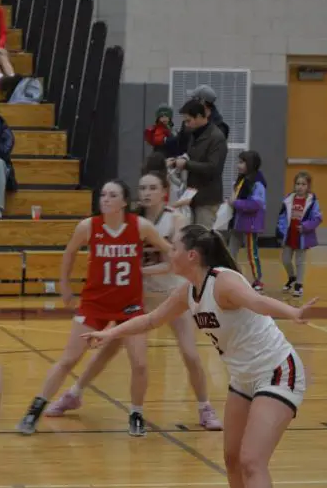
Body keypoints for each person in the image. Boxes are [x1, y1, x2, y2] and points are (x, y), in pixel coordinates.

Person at [82, 224, 317, 488]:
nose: (167, 251)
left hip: (277, 371)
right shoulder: (188, 292)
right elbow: (150, 320)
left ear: (191, 255)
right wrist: (109, 333)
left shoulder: (223, 281)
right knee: (231, 457)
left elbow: (256, 301)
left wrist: (292, 311)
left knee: (253, 460)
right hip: (243, 378)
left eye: (173, 246)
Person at [46, 172, 223, 430]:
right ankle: (74, 393)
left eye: (152, 188)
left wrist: (141, 270)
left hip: (171, 294)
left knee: (190, 353)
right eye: (142, 188)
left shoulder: (175, 219)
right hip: (138, 298)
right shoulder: (131, 218)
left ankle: (205, 407)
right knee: (107, 348)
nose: (146, 193)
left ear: (164, 191)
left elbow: (176, 261)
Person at [16, 180, 173, 437]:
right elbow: (69, 253)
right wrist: (65, 285)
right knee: (69, 359)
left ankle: (136, 413)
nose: (106, 199)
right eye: (103, 194)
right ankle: (35, 409)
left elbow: (170, 252)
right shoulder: (88, 226)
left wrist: (160, 268)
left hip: (130, 306)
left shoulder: (140, 226)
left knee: (140, 364)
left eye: (113, 195)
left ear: (124, 202)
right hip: (94, 303)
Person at [174, 98, 227, 230]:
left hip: (207, 199)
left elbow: (213, 168)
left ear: (199, 117)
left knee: (204, 238)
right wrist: (178, 160)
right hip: (193, 196)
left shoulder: (216, 137)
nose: (186, 124)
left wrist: (186, 164)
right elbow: (192, 157)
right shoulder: (194, 134)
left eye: (188, 120)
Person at [225, 150, 267, 293]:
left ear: (251, 164)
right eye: (238, 162)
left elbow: (255, 205)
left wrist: (236, 203)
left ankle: (258, 280)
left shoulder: (258, 184)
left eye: (242, 162)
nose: (238, 165)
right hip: (238, 222)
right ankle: (231, 275)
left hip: (251, 224)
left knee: (251, 252)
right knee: (231, 250)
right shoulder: (241, 181)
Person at [277, 171, 323, 298]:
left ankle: (299, 284)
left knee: (300, 261)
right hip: (289, 235)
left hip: (302, 237)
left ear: (308, 186)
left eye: (303, 184)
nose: (300, 187)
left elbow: (317, 218)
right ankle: (292, 277)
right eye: (297, 183)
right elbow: (282, 217)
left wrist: (305, 227)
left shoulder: (312, 201)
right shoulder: (288, 199)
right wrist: (281, 231)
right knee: (285, 259)